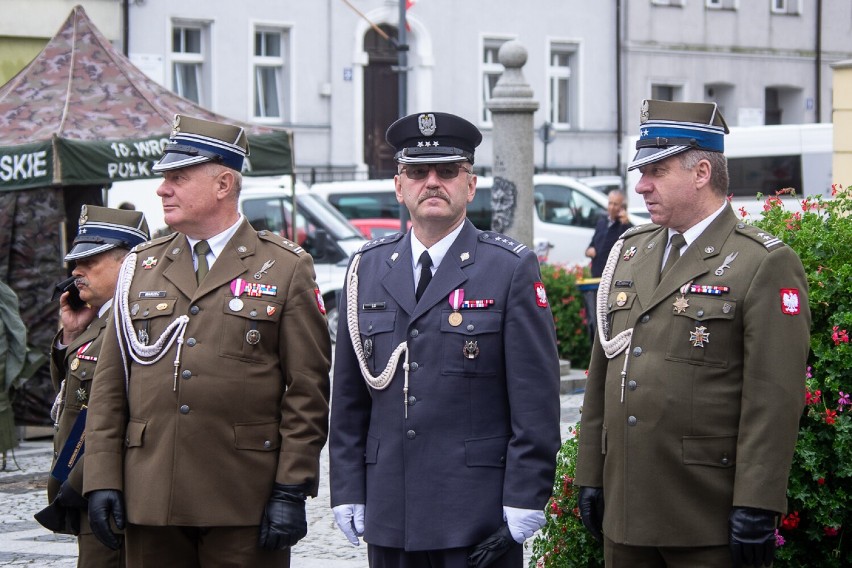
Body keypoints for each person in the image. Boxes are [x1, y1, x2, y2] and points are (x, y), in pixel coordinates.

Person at [81, 114, 331, 567]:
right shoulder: (141, 265)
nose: (162, 189)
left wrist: (291, 488)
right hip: (150, 495)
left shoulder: (284, 267)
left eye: (178, 178)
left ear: (222, 184)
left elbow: (308, 391)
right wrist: (101, 477)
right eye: (164, 179)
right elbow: (109, 387)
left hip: (241, 497)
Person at [575, 100, 811, 568]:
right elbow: (604, 367)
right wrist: (591, 474)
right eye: (642, 172)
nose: (641, 185)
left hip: (704, 513)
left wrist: (757, 503)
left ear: (702, 171)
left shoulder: (761, 262)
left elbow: (774, 396)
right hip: (625, 509)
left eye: (656, 171)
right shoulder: (630, 250)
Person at [329, 111, 561, 568]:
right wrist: (348, 488)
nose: (431, 182)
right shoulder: (368, 269)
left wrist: (525, 496)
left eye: (447, 171)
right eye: (417, 172)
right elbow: (349, 399)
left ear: (470, 186)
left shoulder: (509, 269)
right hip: (391, 508)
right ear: (400, 187)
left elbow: (535, 399)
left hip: (475, 511)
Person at [34, 205, 149, 566]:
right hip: (85, 485)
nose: (75, 272)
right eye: (75, 263)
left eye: (91, 261)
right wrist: (71, 334)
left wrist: (81, 480)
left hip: (112, 487)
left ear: (127, 262)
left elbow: (127, 411)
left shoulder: (136, 322)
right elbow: (73, 396)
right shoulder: (100, 319)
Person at [585, 190, 632, 278]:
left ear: (622, 207)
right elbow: (592, 244)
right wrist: (589, 251)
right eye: (610, 203)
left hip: (613, 276)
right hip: (597, 274)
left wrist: (624, 224)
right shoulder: (602, 222)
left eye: (615, 204)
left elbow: (625, 248)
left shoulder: (626, 226)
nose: (612, 207)